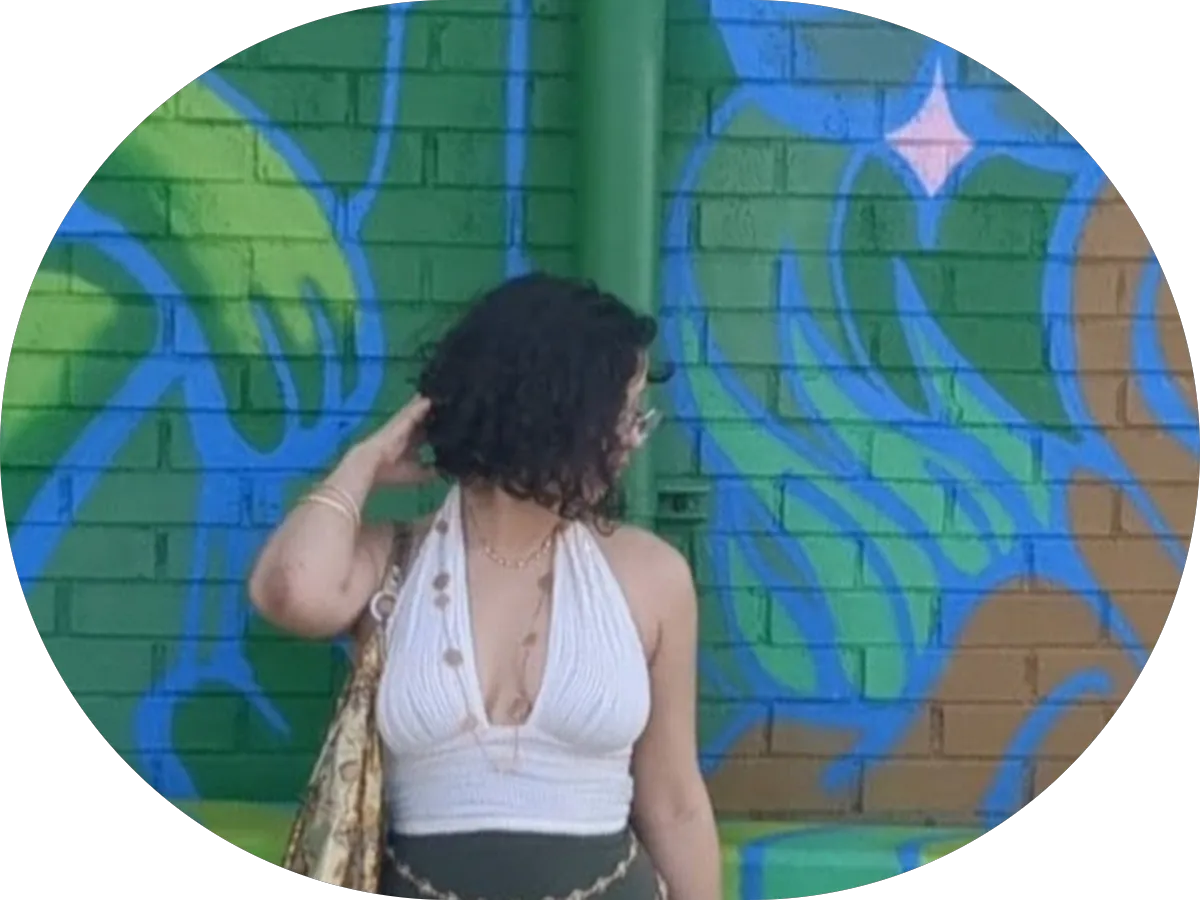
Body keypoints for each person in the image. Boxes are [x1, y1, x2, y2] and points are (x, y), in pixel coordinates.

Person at [248, 273, 722, 899]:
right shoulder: (397, 560)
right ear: (549, 411)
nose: (633, 437)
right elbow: (288, 592)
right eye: (621, 413)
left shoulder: (650, 574)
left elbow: (675, 803)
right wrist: (363, 465)